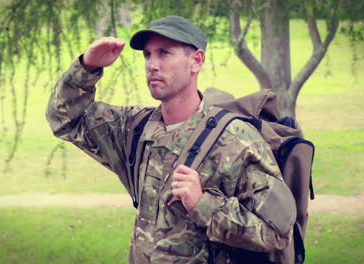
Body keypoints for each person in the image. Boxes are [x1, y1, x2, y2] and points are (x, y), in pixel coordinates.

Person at [46, 15, 296, 264]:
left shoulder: (237, 141)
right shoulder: (134, 129)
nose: (152, 64)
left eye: (164, 53)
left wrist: (203, 204)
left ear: (196, 61)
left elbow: (276, 233)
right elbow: (65, 118)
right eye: (147, 55)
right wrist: (87, 68)